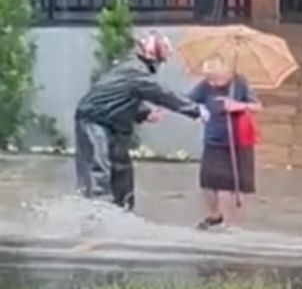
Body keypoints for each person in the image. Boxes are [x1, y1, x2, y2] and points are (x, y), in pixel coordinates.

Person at [74, 31, 209, 211]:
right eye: (161, 59)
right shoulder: (135, 71)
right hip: (94, 120)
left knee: (121, 169)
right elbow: (161, 93)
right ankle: (95, 211)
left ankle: (122, 209)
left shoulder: (132, 70)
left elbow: (122, 96)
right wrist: (195, 109)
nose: (161, 64)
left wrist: (144, 113)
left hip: (112, 124)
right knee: (99, 168)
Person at [189, 55, 262, 230]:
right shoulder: (205, 86)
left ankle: (229, 223)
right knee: (208, 182)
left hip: (237, 142)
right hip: (213, 140)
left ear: (227, 74)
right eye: (209, 79)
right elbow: (188, 101)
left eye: (215, 79)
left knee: (227, 185)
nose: (212, 83)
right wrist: (198, 112)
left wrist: (238, 105)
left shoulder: (239, 83)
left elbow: (257, 107)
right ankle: (214, 216)